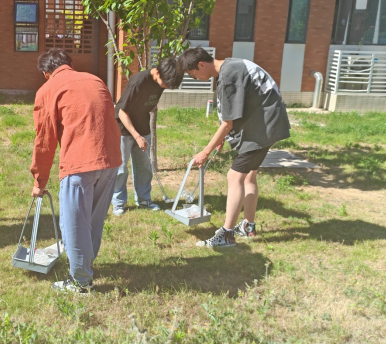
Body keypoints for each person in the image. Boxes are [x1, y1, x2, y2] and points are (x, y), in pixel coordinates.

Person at [176, 47, 291, 248]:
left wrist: (206, 151)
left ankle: (227, 235)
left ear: (201, 65)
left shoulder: (228, 76)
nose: (197, 79)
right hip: (268, 124)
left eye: (194, 75)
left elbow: (227, 123)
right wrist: (223, 137)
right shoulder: (231, 65)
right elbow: (236, 114)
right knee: (249, 176)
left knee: (234, 176)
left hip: (262, 129)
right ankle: (248, 226)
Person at [30, 49, 121, 294]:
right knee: (93, 220)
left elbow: (44, 140)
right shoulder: (94, 79)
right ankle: (85, 267)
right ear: (70, 64)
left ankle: (81, 282)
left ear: (45, 73)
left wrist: (40, 180)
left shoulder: (48, 90)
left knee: (75, 223)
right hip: (111, 159)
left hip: (80, 162)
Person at [112, 58, 183, 216]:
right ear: (157, 72)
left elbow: (149, 106)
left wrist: (142, 133)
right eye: (165, 83)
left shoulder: (162, 80)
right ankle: (118, 202)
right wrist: (136, 136)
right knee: (121, 167)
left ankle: (144, 199)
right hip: (123, 129)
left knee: (144, 166)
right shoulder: (138, 82)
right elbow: (122, 112)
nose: (165, 87)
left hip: (143, 128)